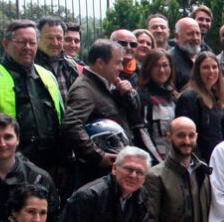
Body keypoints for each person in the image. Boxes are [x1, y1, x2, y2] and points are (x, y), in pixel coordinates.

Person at [0, 20, 64, 177]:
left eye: (32, 42)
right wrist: (12, 165)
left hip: (50, 168)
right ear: (6, 44)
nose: (27, 47)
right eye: (21, 42)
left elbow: (60, 119)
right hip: (6, 171)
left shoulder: (47, 76)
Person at [62, 39, 145, 185]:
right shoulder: (84, 89)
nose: (121, 68)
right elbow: (71, 125)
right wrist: (98, 156)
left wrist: (127, 95)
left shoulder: (110, 84)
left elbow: (135, 119)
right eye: (117, 63)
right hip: (98, 175)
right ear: (100, 63)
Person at [175, 52, 224, 163]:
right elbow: (188, 138)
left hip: (216, 158)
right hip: (199, 162)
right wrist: (200, 164)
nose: (211, 71)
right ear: (197, 71)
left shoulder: (216, 95)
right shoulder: (189, 98)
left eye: (214, 67)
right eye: (205, 67)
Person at [137, 50, 178, 161]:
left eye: (165, 65)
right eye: (156, 66)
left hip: (175, 160)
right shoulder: (142, 97)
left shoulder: (173, 96)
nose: (161, 70)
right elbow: (143, 134)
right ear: (148, 68)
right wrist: (158, 162)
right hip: (156, 162)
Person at [35, 16, 80, 102]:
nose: (55, 43)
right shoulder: (32, 67)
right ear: (38, 38)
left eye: (59, 38)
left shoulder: (70, 66)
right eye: (49, 38)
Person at [169, 17, 202, 90]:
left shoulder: (203, 57)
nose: (195, 38)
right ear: (177, 37)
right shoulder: (169, 60)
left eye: (198, 33)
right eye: (190, 34)